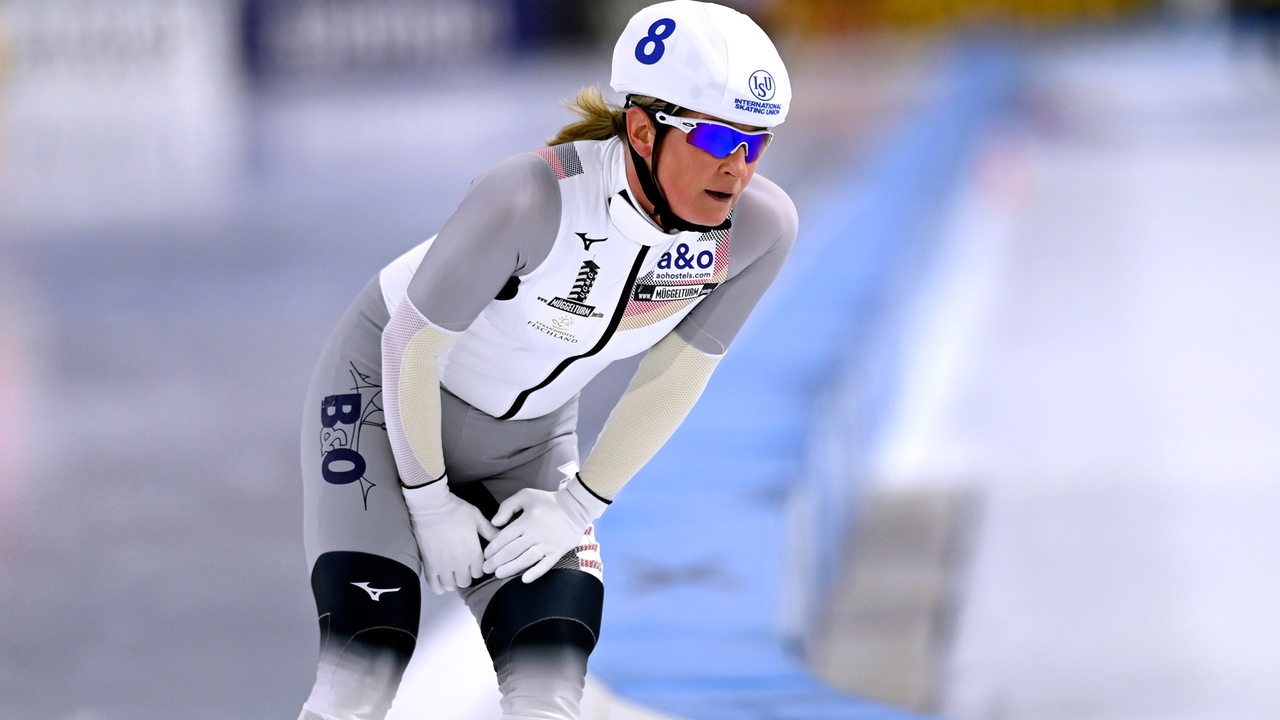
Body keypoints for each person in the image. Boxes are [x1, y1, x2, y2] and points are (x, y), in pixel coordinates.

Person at [296, 2, 796, 718]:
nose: (737, 167)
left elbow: (677, 374)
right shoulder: (528, 199)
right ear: (641, 128)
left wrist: (578, 505)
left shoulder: (759, 232)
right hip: (383, 403)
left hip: (527, 444)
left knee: (550, 683)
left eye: (757, 143)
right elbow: (408, 345)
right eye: (716, 136)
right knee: (363, 664)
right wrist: (429, 500)